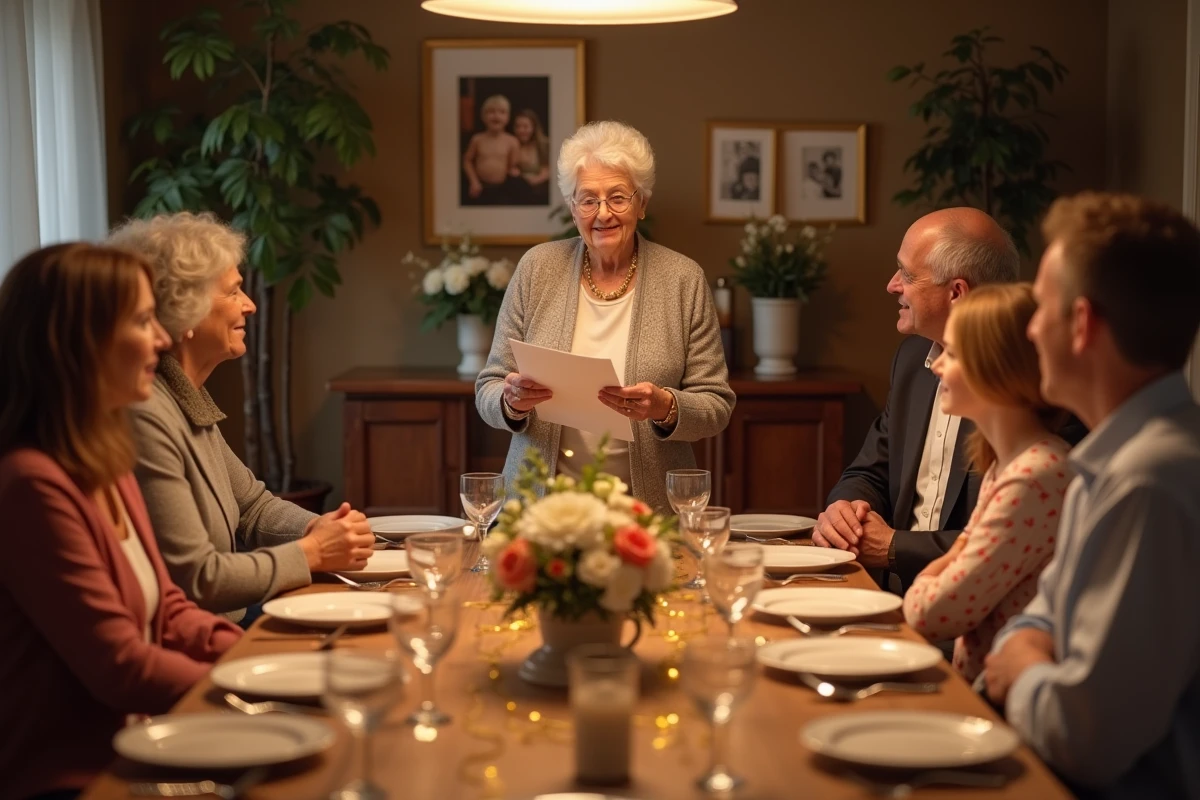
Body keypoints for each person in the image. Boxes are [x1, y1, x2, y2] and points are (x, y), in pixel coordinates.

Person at [0, 243, 242, 799]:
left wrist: (258, 657)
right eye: (141, 321)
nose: (162, 338)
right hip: (78, 779)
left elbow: (171, 606)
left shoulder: (104, 458)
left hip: (146, 746)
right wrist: (243, 684)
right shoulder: (30, 485)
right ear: (75, 344)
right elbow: (119, 666)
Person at [983, 193, 1200, 798]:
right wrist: (1030, 650)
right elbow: (1038, 617)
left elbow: (1087, 739)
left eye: (1041, 308)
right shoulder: (1111, 461)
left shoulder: (1148, 483)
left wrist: (1022, 667)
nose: (1029, 329)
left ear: (1082, 325)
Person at [108, 212, 374, 624]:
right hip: (209, 634)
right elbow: (196, 578)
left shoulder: (186, 395)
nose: (249, 305)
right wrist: (313, 551)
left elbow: (253, 507)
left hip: (229, 621)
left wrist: (322, 527)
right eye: (233, 292)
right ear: (187, 311)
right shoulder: (146, 415)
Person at [476, 120, 735, 513]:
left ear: (642, 203)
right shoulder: (536, 268)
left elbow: (716, 405)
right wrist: (511, 401)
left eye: (618, 197)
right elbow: (489, 387)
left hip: (647, 517)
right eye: (588, 199)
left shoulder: (683, 279)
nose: (603, 214)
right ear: (571, 207)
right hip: (538, 513)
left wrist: (665, 406)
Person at [901, 283, 1071, 682]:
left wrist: (933, 573)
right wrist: (953, 557)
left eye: (954, 354)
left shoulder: (1034, 477)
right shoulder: (1005, 465)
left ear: (997, 369)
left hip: (1007, 708)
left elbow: (931, 614)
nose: (938, 365)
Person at [462, 94, 520, 204]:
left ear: (508, 117)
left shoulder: (512, 141)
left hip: (503, 189)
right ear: (483, 116)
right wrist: (473, 181)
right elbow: (467, 160)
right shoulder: (477, 139)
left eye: (502, 112)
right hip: (480, 187)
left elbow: (513, 166)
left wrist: (514, 172)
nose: (496, 116)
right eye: (491, 112)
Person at [513, 108, 550, 190]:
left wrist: (535, 180)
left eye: (525, 127)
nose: (521, 130)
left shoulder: (544, 145)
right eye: (518, 127)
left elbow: (549, 170)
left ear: (533, 127)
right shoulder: (512, 144)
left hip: (541, 189)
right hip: (519, 188)